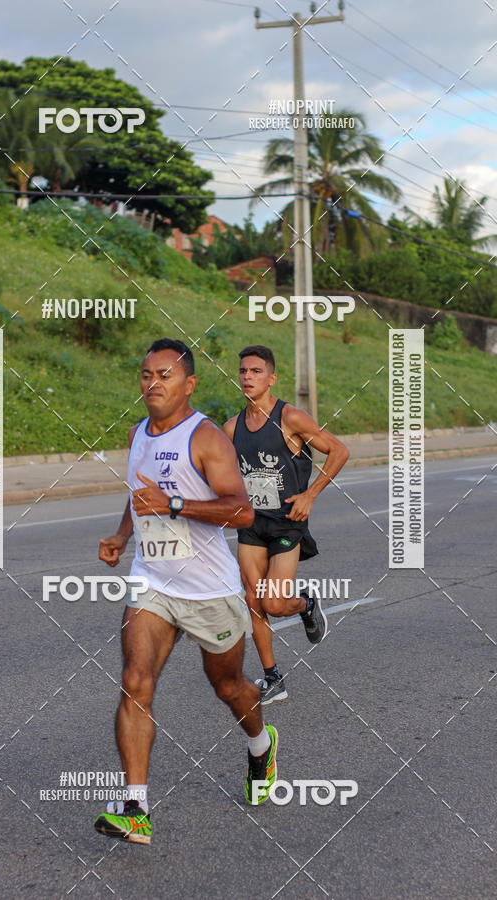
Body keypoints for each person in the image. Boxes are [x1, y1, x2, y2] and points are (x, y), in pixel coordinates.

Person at [95, 338, 279, 845]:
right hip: (151, 581)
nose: (153, 383)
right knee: (135, 680)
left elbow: (241, 511)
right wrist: (122, 535)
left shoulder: (205, 438)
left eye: (165, 375)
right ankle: (136, 808)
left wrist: (175, 504)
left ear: (189, 383)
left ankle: (261, 745)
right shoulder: (137, 434)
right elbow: (140, 499)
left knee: (228, 686)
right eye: (146, 374)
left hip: (208, 591)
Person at [223, 345, 349, 706]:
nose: (248, 377)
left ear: (272, 378)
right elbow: (217, 469)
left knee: (275, 604)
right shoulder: (232, 427)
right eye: (244, 371)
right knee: (253, 599)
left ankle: (306, 605)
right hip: (251, 524)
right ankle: (272, 677)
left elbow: (338, 451)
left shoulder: (291, 418)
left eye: (256, 371)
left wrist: (310, 495)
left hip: (286, 523)